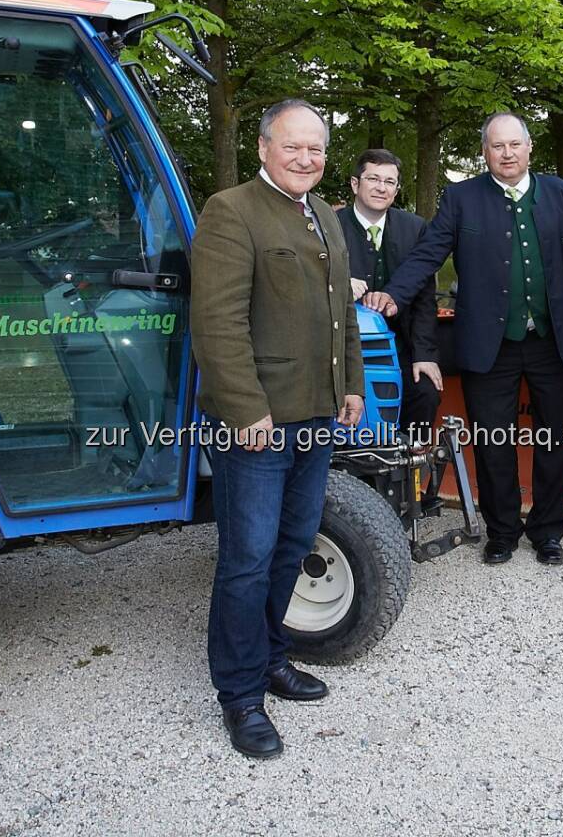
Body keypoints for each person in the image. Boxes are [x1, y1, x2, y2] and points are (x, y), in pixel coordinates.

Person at [190, 98, 365, 758]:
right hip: (256, 426)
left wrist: (351, 384)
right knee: (247, 560)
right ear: (263, 148)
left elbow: (339, 315)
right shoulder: (231, 211)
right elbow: (217, 323)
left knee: (292, 547)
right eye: (293, 146)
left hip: (315, 415)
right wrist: (245, 409)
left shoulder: (322, 214)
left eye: (316, 149)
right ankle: (239, 696)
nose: (306, 158)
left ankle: (268, 659)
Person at [363, 113, 563, 566]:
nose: (507, 154)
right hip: (490, 343)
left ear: (529, 149)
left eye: (514, 145)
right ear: (485, 153)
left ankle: (548, 531)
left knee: (554, 441)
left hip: (552, 341)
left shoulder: (562, 194)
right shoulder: (462, 197)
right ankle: (502, 531)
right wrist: (393, 293)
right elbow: (429, 253)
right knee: (492, 442)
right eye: (497, 147)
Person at [336, 148, 442, 443]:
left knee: (425, 393)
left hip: (403, 347)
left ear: (397, 189)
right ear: (355, 184)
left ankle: (415, 477)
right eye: (373, 179)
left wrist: (424, 356)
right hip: (344, 350)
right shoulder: (330, 226)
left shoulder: (416, 228)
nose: (381, 187)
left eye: (389, 181)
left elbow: (424, 299)